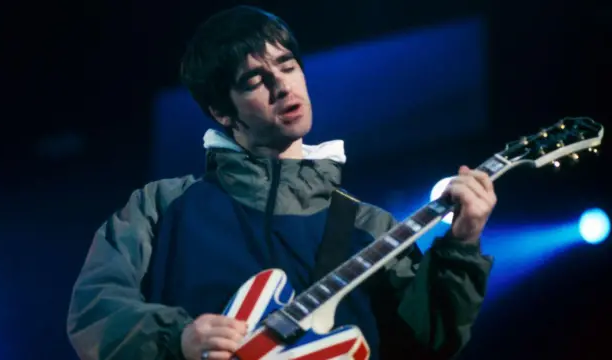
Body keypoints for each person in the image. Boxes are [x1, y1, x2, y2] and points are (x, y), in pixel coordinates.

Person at [66, 5, 496, 360]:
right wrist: (178, 339)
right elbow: (94, 311)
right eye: (255, 81)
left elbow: (432, 342)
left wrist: (461, 245)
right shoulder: (160, 206)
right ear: (222, 112)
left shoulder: (369, 225)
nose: (281, 86)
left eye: (287, 67)